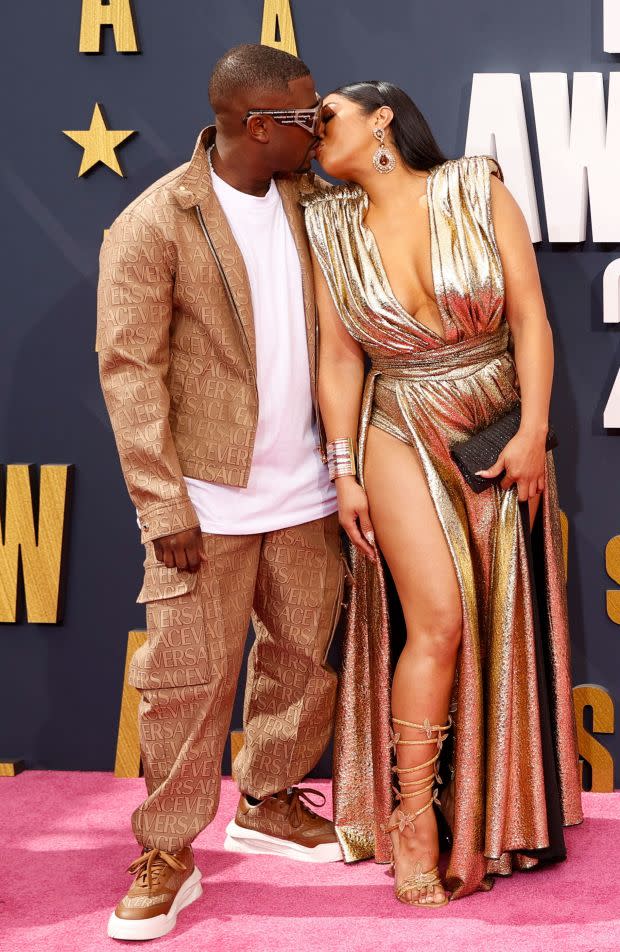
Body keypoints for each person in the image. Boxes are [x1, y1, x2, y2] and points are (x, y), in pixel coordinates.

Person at [301, 80, 583, 907]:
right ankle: (414, 816)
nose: (315, 131)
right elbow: (341, 358)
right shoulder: (328, 224)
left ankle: (494, 808)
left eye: (329, 116)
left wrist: (532, 431)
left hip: (496, 418)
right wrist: (343, 468)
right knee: (439, 618)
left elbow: (529, 315)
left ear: (382, 116)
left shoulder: (475, 185)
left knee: (495, 612)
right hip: (398, 419)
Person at [97, 44, 346, 942]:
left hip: (311, 491)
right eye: (308, 115)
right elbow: (130, 375)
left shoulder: (315, 203)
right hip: (207, 504)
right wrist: (163, 509)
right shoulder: (155, 221)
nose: (322, 126)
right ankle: (167, 852)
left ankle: (270, 799)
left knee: (300, 662)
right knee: (185, 686)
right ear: (258, 125)